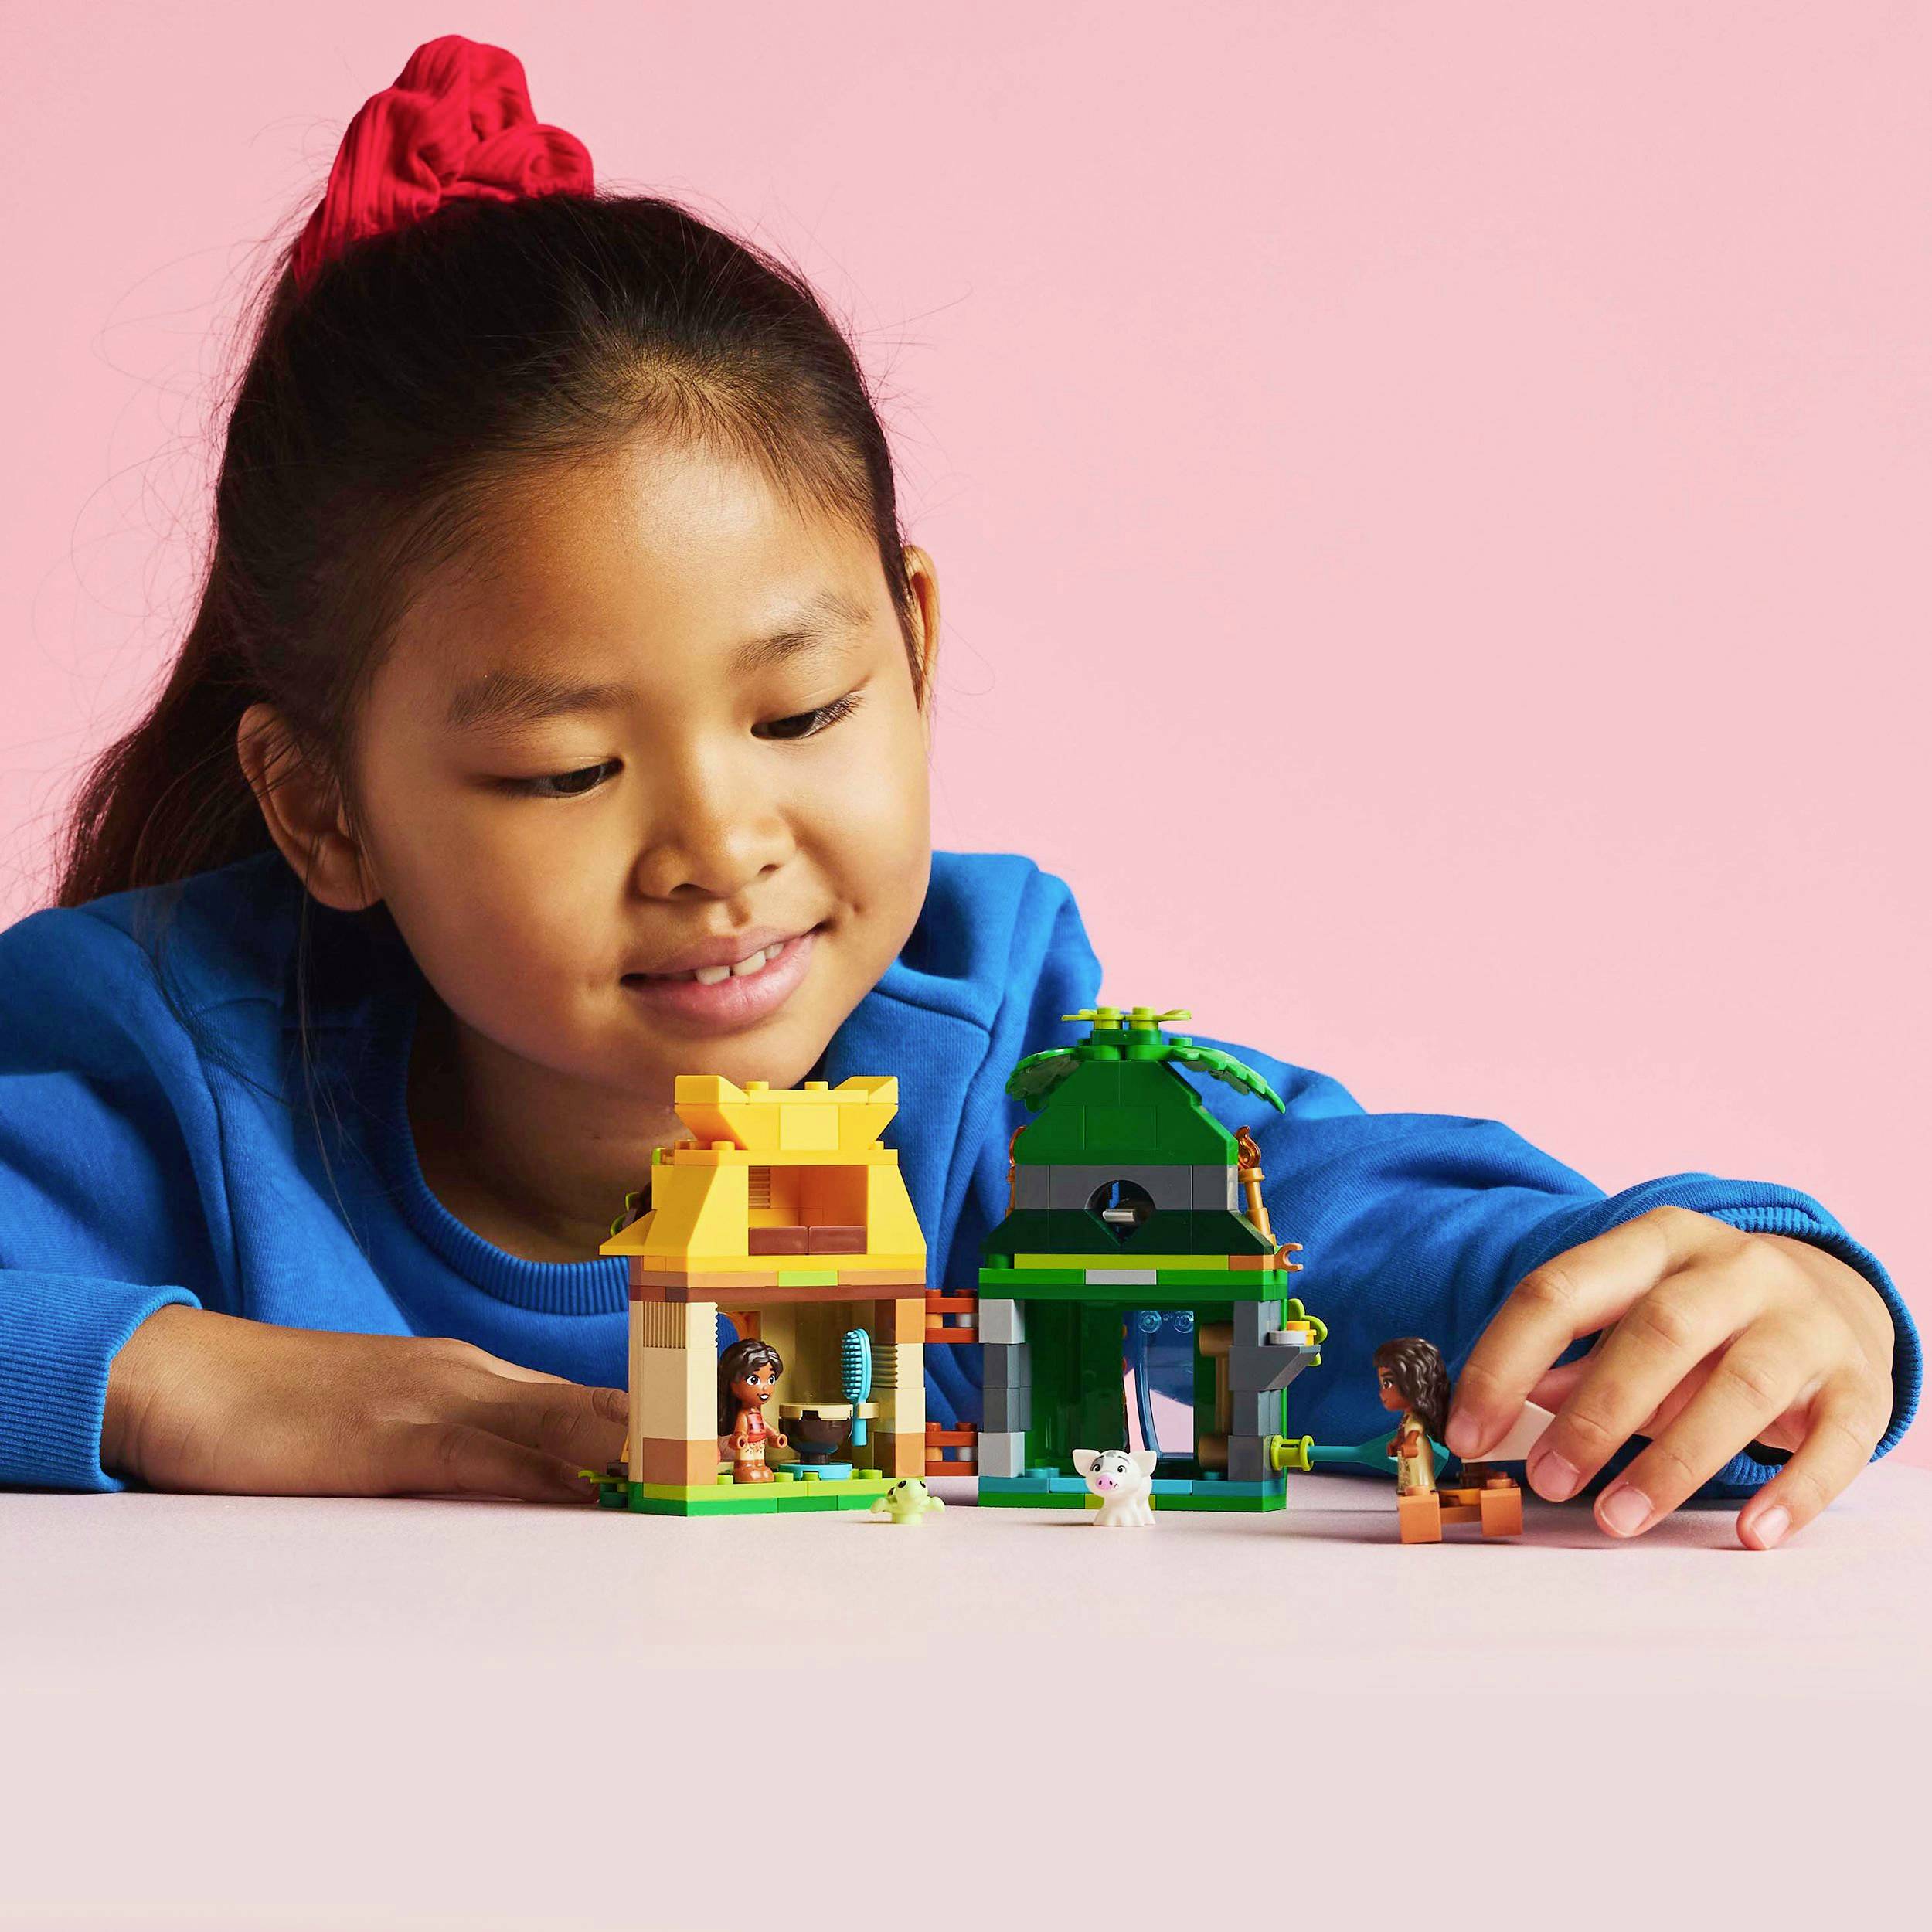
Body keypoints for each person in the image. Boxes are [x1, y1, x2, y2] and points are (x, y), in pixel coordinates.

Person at [0, 36, 1913, 1550]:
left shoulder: (1004, 1087)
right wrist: (226, 1385)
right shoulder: (177, 1069)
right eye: (565, 767)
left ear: (913, 644)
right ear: (322, 810)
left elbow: (1400, 1251)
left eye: (806, 711)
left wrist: (1750, 1293)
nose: (720, 848)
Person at [1374, 1338, 1450, 1497]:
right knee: (1409, 1474)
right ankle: (1412, 1491)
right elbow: (1405, 1429)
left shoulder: (1415, 1416)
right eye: (1382, 1385)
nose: (1382, 1394)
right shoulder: (1407, 1415)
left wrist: (1410, 1443)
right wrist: (1396, 1442)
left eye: (1387, 1383)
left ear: (1411, 1381)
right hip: (1409, 1451)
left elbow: (1415, 1430)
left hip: (1416, 1450)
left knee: (1418, 1473)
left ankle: (1422, 1491)